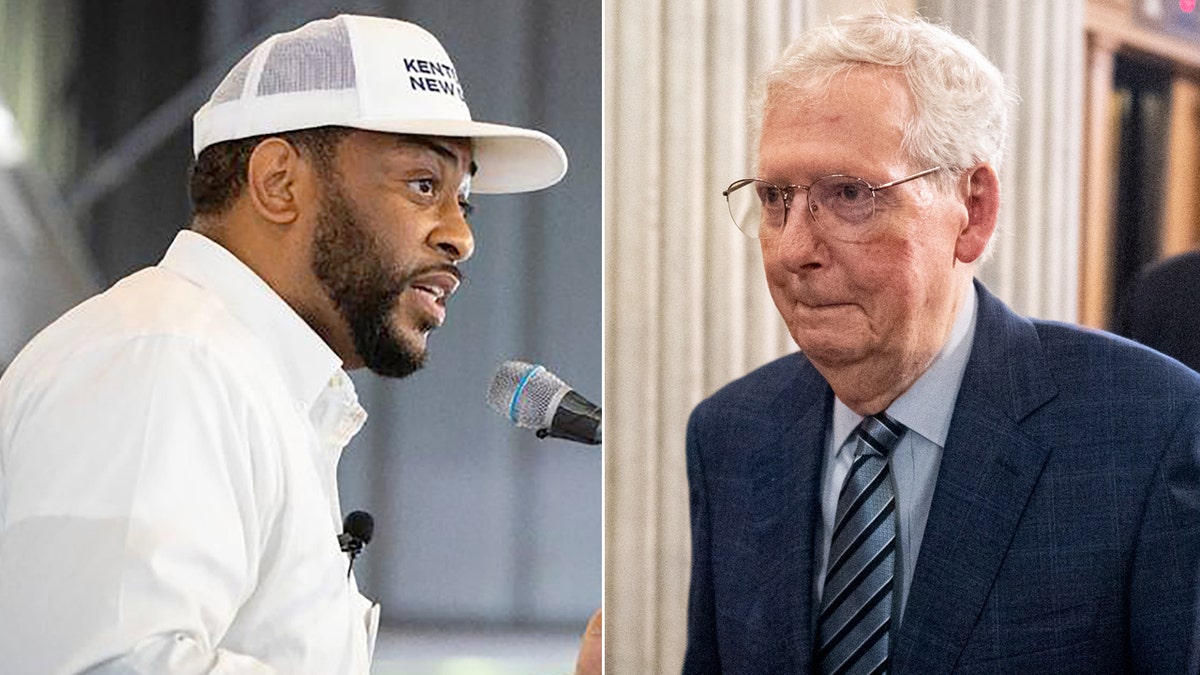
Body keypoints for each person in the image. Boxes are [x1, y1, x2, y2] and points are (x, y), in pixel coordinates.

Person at [0, 15, 599, 674]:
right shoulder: (166, 359)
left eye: (466, 202)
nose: (461, 237)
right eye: (424, 184)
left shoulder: (241, 379)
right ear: (279, 182)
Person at [684, 13, 1200, 674]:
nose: (792, 249)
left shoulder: (1149, 431)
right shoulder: (730, 433)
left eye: (848, 194)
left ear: (973, 210)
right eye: (775, 196)